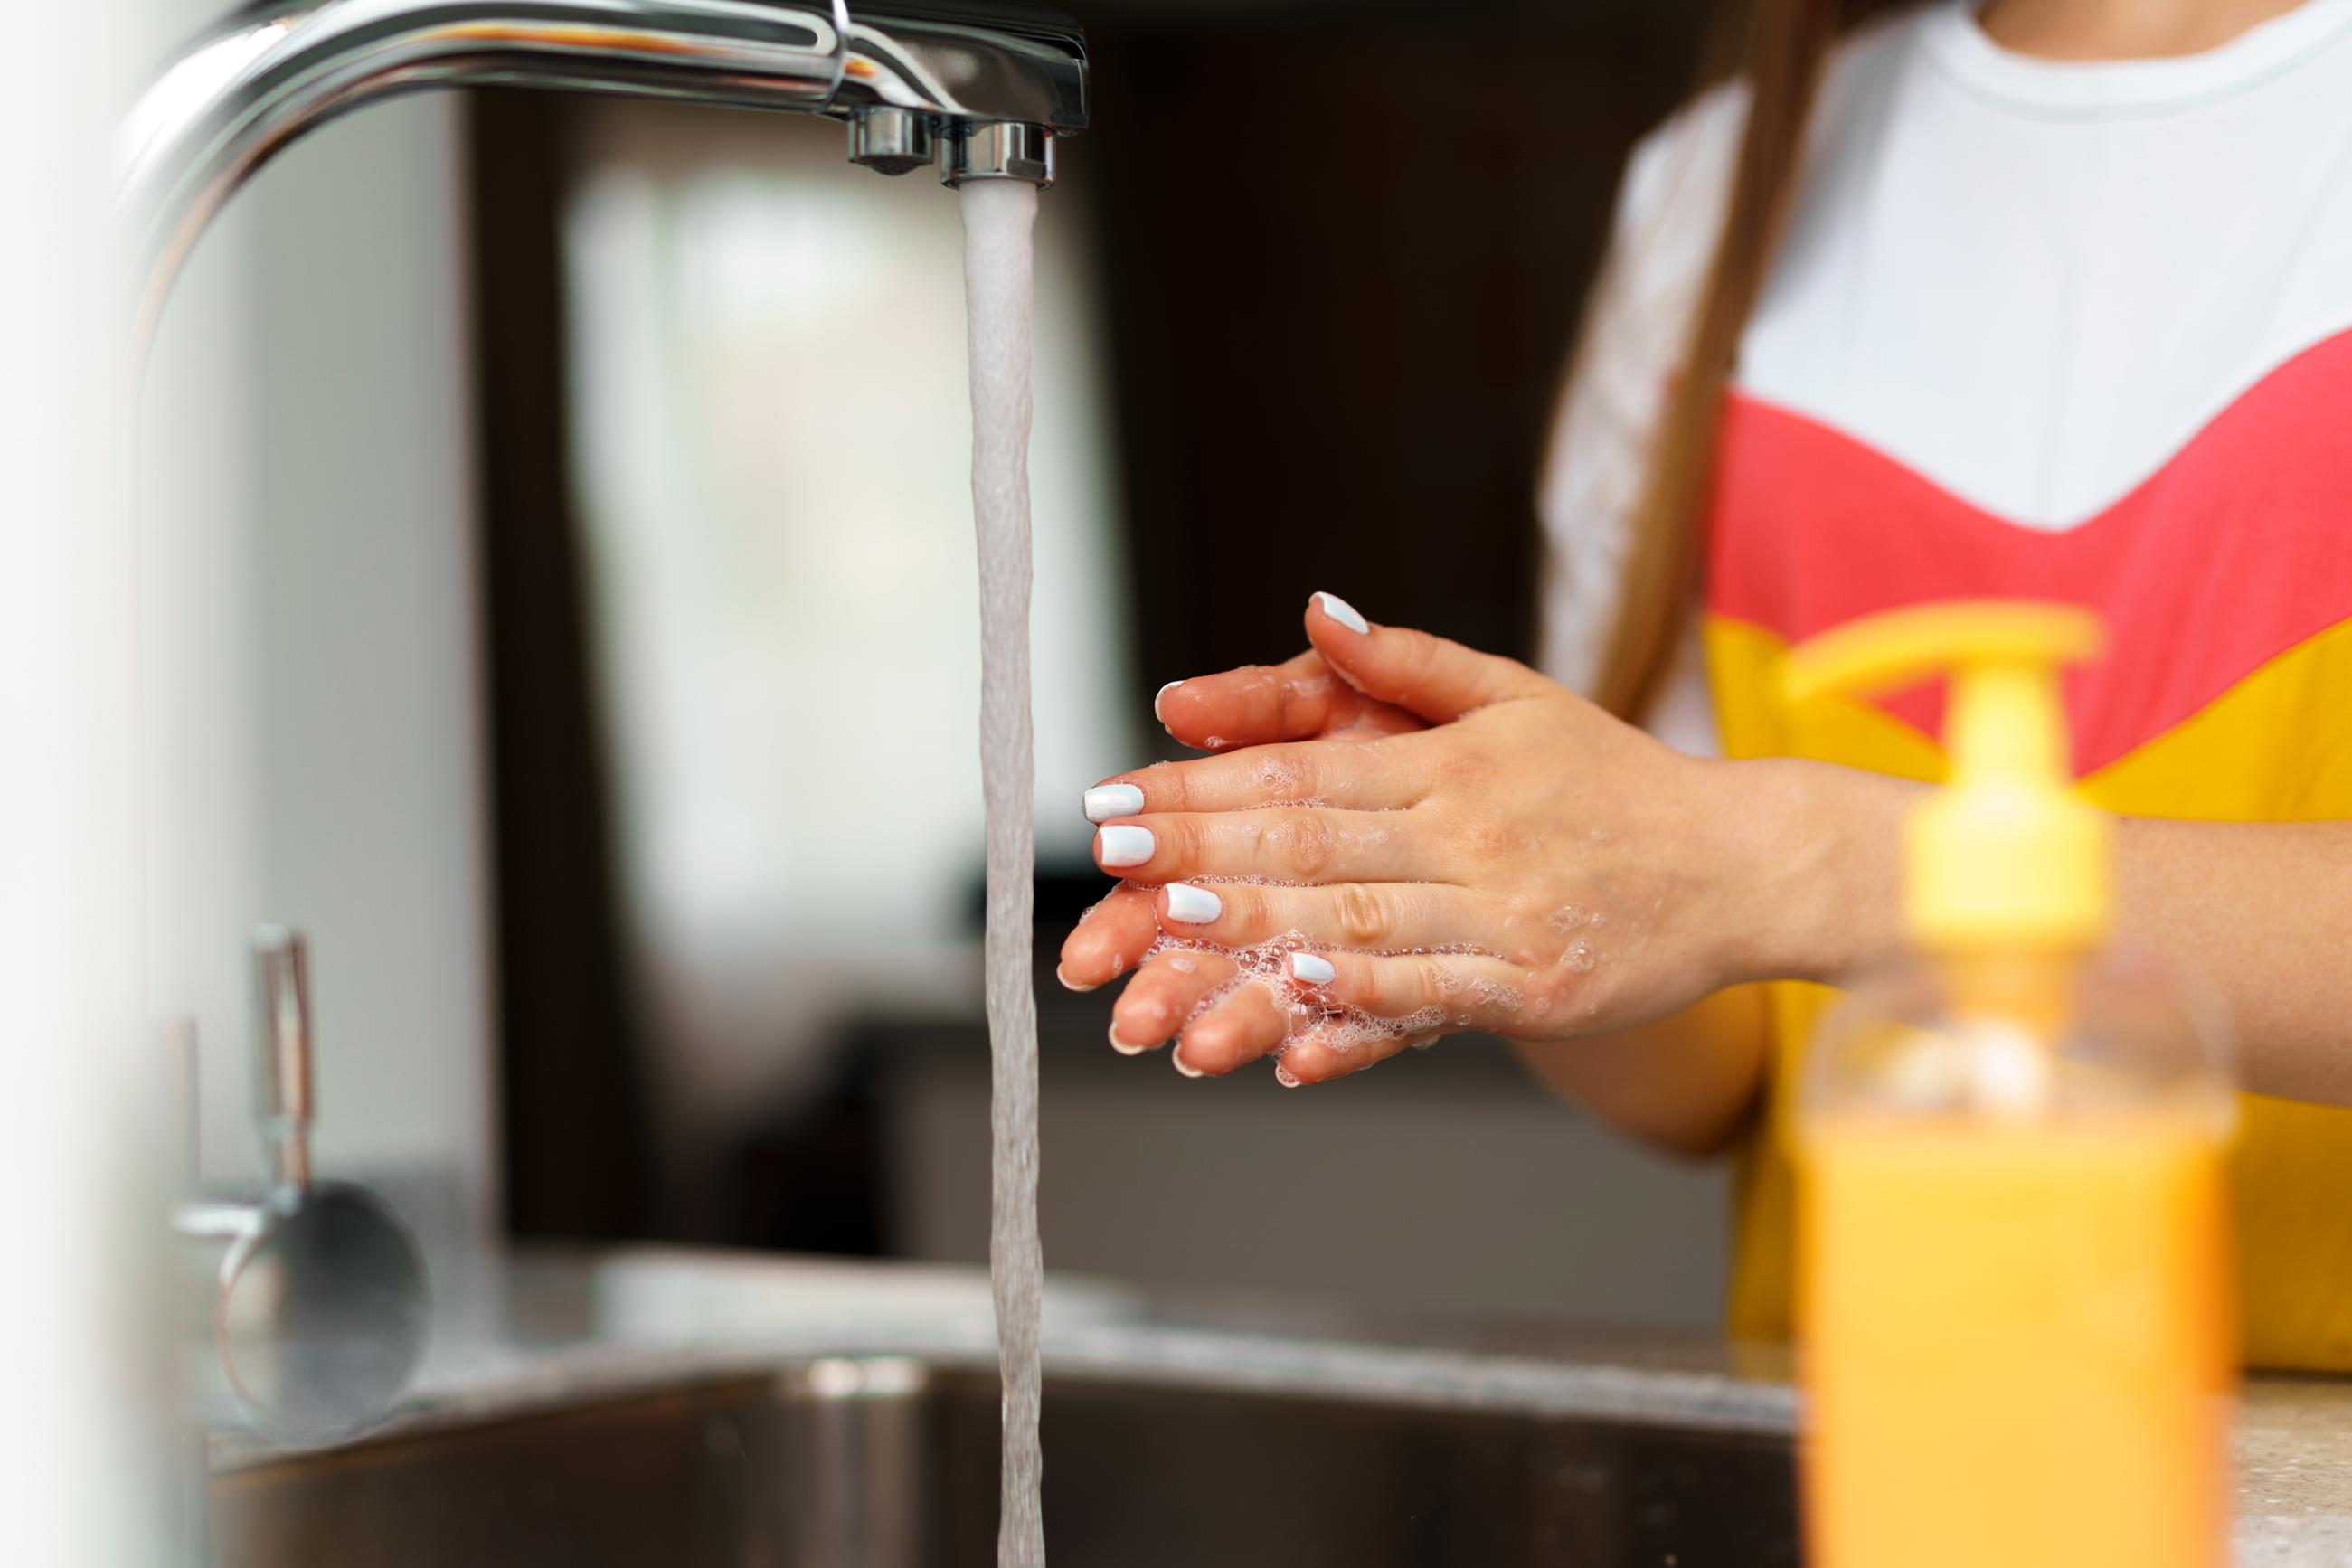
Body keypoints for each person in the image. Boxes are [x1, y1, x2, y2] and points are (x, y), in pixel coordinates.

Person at [1055, 0, 2352, 1370]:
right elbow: (1718, 1075)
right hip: (1895, 1460)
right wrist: (1485, 872)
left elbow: (1763, 875)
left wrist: (1791, 862)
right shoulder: (1714, 188)